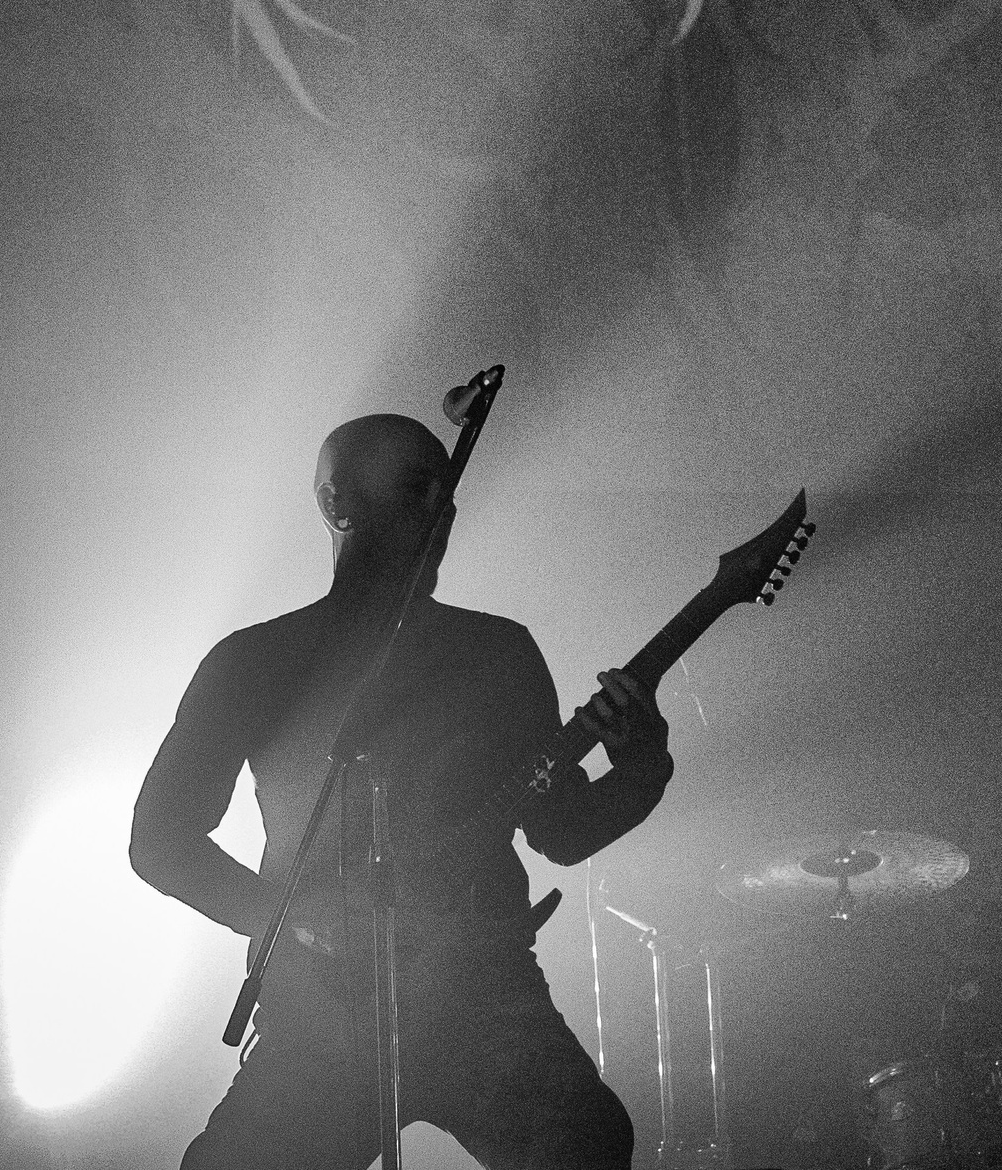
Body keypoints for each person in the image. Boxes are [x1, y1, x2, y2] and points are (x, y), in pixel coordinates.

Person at [132, 412, 671, 1169]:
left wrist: (644, 763)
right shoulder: (256, 659)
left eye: (446, 492)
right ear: (337, 504)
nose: (441, 509)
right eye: (418, 487)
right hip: (322, 1012)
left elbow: (563, 828)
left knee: (588, 1142)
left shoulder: (498, 651)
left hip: (485, 997)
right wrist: (291, 918)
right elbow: (157, 838)